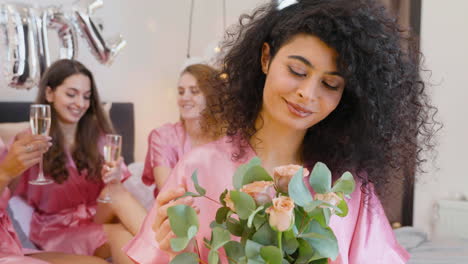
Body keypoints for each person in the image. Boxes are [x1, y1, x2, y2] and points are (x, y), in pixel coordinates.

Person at [125, 0, 438, 263]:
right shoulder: (199, 168)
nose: (307, 93)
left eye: (330, 84)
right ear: (265, 58)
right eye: (297, 71)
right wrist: (170, 251)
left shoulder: (347, 186)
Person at [12, 59, 136, 264]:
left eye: (86, 97)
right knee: (121, 236)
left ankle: (157, 240)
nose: (80, 103)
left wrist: (114, 178)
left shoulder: (99, 137)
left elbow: (113, 193)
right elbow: (6, 192)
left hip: (97, 218)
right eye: (71, 94)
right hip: (57, 230)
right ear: (49, 93)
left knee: (118, 206)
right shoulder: (30, 142)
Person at [0, 133, 108, 263]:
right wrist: (5, 173)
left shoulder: (99, 138)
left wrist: (15, 169)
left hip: (9, 246)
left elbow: (6, 195)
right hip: (51, 231)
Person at [142, 64, 222, 197]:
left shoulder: (226, 139)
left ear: (211, 97)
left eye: (194, 91)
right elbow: (168, 195)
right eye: (181, 91)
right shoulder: (163, 136)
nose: (184, 97)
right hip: (173, 213)